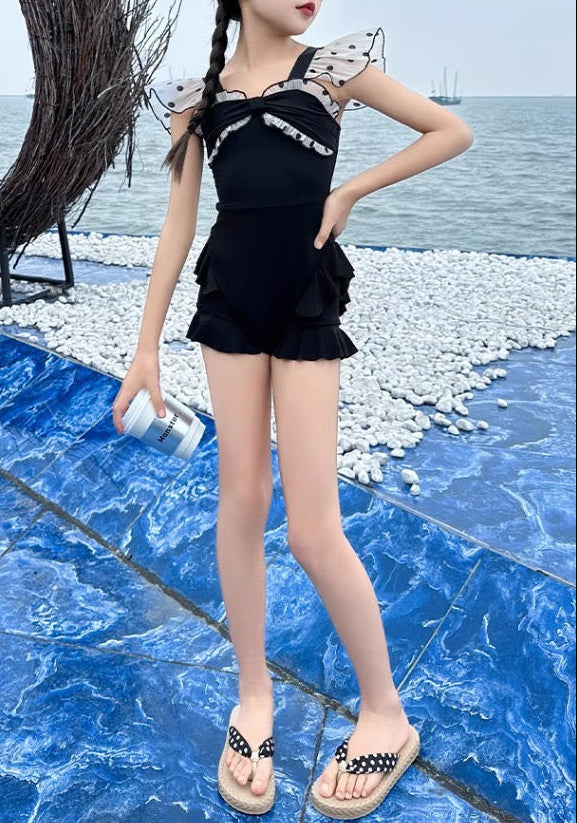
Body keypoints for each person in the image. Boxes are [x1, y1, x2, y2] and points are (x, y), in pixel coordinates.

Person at [113, 0, 473, 817]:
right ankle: (253, 696)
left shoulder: (332, 70)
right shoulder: (195, 98)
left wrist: (350, 191)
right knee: (240, 500)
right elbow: (177, 224)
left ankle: (385, 713)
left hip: (306, 295)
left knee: (312, 529)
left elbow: (450, 132)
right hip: (229, 299)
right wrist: (145, 349)